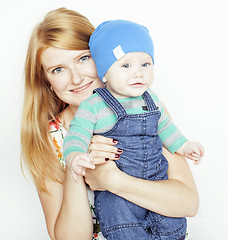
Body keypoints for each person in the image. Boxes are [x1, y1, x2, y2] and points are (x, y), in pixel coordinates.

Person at [21, 8, 199, 240]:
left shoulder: (145, 107)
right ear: (47, 83)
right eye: (58, 69)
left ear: (104, 57)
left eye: (83, 58)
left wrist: (112, 180)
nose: (76, 78)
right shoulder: (49, 138)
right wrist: (78, 168)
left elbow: (188, 204)